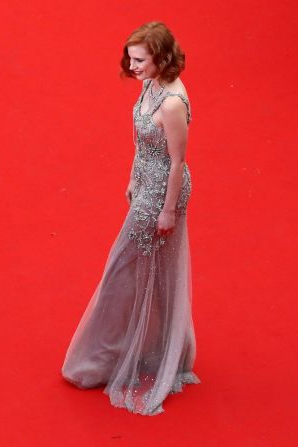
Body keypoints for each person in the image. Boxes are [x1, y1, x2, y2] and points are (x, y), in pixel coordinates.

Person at [60, 21, 200, 416]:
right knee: (139, 271)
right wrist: (132, 175)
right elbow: (143, 143)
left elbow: (176, 163)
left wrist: (167, 210)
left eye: (139, 59)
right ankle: (144, 346)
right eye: (131, 58)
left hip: (161, 196)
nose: (132, 66)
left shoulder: (173, 103)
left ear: (161, 57)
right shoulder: (149, 86)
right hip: (145, 185)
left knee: (120, 269)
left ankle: (98, 360)